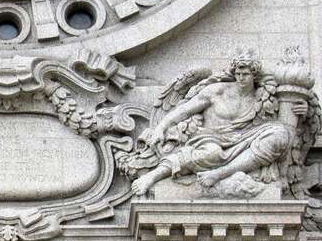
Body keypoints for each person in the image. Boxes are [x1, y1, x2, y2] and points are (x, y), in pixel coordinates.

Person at [131, 55, 309, 196]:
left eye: (245, 74)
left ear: (254, 75)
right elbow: (184, 110)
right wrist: (161, 127)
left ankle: (220, 173)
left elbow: (287, 122)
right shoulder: (217, 91)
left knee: (279, 134)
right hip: (211, 138)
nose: (241, 78)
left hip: (247, 138)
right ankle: (152, 176)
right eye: (238, 73)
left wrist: (303, 113)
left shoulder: (264, 96)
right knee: (212, 153)